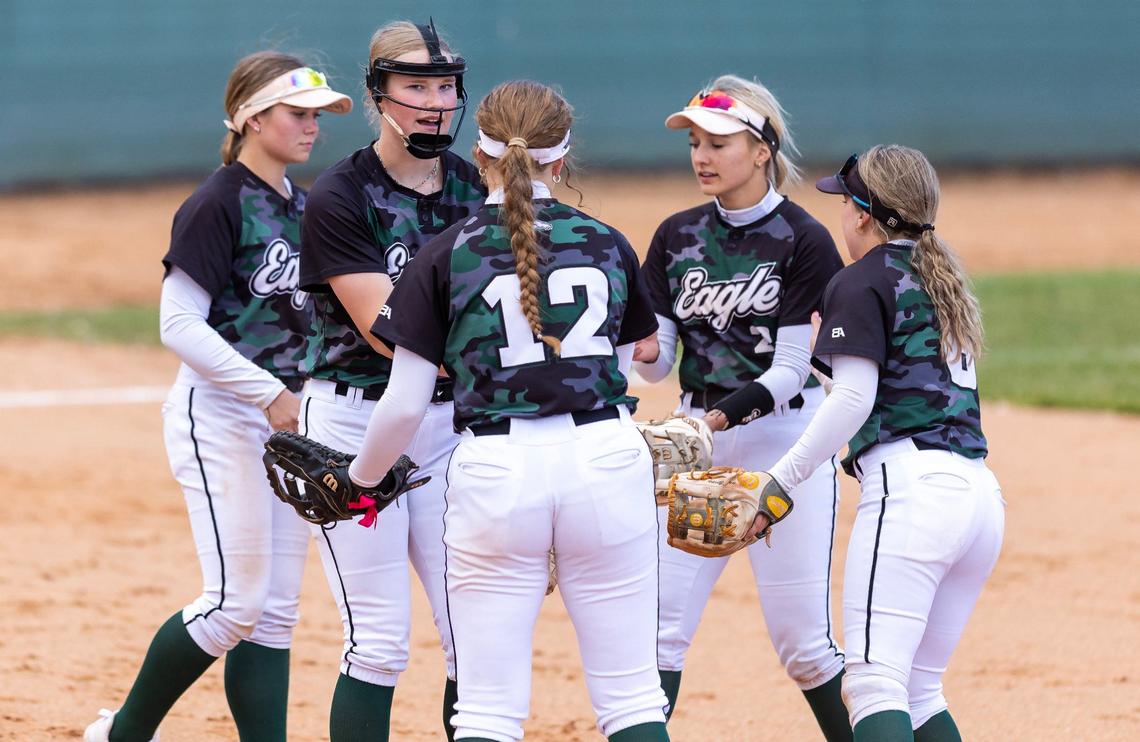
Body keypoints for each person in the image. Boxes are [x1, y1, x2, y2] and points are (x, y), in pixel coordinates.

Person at [346, 79, 670, 742]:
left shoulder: (444, 254)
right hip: (606, 459)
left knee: (488, 710)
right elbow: (646, 355)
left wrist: (360, 480)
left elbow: (405, 404)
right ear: (563, 156)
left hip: (495, 472)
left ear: (481, 153)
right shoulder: (607, 242)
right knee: (634, 699)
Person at [84, 52, 352, 742]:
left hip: (289, 422)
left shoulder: (302, 202)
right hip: (225, 418)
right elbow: (177, 323)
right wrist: (267, 393)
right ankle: (123, 733)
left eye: (318, 116)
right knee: (235, 604)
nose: (313, 127)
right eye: (299, 114)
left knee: (276, 613)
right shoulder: (217, 201)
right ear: (252, 118)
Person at [760, 145, 1004, 741]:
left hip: (911, 496)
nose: (840, 215)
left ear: (863, 214)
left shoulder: (860, 278)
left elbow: (853, 402)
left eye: (843, 203)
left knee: (873, 683)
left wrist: (777, 482)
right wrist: (833, 368)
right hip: (977, 498)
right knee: (919, 689)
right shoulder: (940, 272)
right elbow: (896, 385)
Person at [634, 75, 852, 739]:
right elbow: (659, 363)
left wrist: (710, 422)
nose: (702, 155)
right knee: (661, 634)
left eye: (719, 142)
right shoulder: (675, 237)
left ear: (762, 151)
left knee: (805, 647)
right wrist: (623, 351)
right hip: (699, 448)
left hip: (782, 448)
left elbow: (791, 371)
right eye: (695, 142)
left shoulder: (802, 239)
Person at [296, 20, 484, 742]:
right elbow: (386, 329)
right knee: (378, 642)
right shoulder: (341, 196)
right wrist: (502, 358)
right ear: (378, 95)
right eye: (415, 86)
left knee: (473, 632)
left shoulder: (473, 187)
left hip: (447, 431)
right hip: (355, 428)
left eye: (444, 86)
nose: (435, 103)